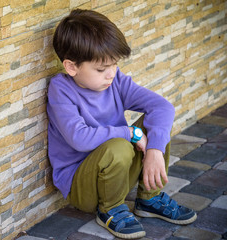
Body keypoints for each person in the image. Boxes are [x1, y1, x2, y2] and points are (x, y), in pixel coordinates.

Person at [47, 9, 197, 239]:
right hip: (83, 186)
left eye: (114, 64)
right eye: (101, 69)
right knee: (119, 144)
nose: (111, 74)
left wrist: (155, 150)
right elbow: (79, 138)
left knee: (156, 124)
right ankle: (110, 210)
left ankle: (149, 198)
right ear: (71, 67)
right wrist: (130, 133)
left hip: (118, 174)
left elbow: (162, 107)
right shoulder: (61, 89)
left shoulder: (115, 80)